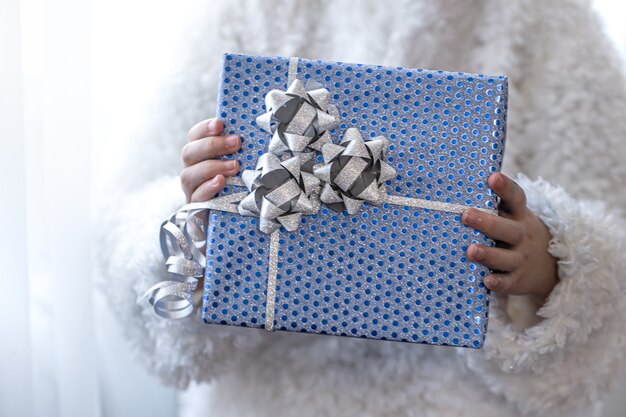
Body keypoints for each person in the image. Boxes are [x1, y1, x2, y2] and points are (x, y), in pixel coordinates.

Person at [96, 0, 626, 416]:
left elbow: (612, 237)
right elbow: (127, 232)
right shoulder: (251, 8)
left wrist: (551, 265)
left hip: (464, 402)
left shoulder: (550, 17)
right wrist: (195, 223)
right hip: (269, 399)